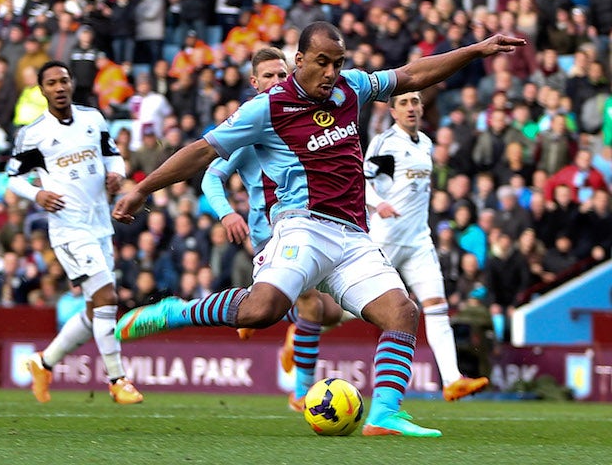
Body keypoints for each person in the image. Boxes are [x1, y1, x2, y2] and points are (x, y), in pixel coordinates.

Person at [112, 22, 524, 437]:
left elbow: (413, 74)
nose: (331, 73)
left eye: (338, 63)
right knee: (261, 312)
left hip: (354, 236)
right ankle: (175, 311)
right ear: (300, 60)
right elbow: (202, 151)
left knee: (402, 313)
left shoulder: (353, 87)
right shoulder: (268, 107)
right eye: (323, 63)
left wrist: (476, 50)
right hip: (302, 227)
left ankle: (383, 413)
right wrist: (141, 188)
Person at [200, 47, 343, 411]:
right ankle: (303, 393)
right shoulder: (250, 126)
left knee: (333, 313)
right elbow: (211, 177)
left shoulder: (298, 116)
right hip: (271, 235)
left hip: (308, 228)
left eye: (282, 75)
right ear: (254, 82)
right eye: (269, 76)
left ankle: (283, 321)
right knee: (311, 305)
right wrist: (226, 214)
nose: (278, 81)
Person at [5, 60, 143, 405]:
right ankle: (117, 379)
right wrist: (36, 193)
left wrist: (116, 174)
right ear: (42, 91)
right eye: (51, 83)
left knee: (95, 308)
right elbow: (13, 178)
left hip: (100, 224)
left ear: (72, 83)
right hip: (68, 228)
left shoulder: (93, 119)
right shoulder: (33, 133)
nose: (59, 87)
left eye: (63, 81)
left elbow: (113, 155)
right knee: (108, 298)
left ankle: (43, 361)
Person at [364, 91, 489, 401]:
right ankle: (304, 325)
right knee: (353, 307)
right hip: (386, 237)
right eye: (403, 103)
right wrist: (378, 204)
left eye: (415, 102)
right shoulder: (386, 142)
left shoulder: (426, 144)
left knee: (436, 306)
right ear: (392, 111)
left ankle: (452, 380)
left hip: (419, 241)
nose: (410, 108)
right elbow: (360, 179)